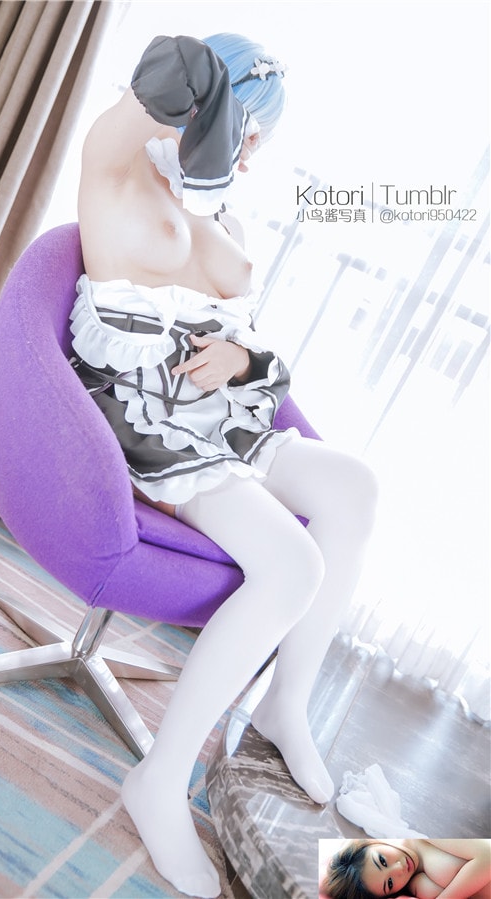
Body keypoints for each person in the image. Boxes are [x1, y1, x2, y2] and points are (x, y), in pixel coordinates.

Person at [71, 32, 378, 898]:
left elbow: (248, 339)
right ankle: (159, 779)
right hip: (147, 425)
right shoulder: (118, 165)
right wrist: (212, 104)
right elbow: (163, 76)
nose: (249, 159)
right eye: (249, 135)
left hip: (220, 418)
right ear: (217, 113)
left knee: (355, 488)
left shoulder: (219, 209)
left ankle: (285, 703)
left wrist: (241, 360)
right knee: (293, 564)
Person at [321, 838, 491, 899]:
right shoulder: (416, 885)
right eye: (389, 883)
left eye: (382, 860)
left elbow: (488, 856)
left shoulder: (422, 838)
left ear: (372, 843)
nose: (399, 869)